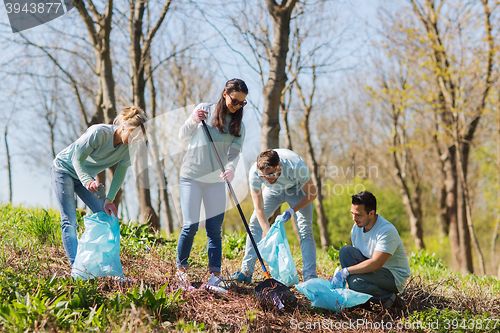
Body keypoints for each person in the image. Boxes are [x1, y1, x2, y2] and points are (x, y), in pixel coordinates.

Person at [51, 106, 148, 266]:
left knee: (104, 216)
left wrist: (109, 200)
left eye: (139, 137)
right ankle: (77, 268)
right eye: (134, 135)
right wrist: (87, 181)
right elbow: (77, 158)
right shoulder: (99, 133)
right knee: (70, 220)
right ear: (123, 125)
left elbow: (120, 173)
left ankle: (99, 264)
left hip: (85, 177)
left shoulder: (131, 147)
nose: (135, 140)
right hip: (64, 169)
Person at [176, 78, 248, 284]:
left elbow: (235, 153)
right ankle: (181, 269)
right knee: (190, 225)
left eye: (242, 103)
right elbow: (182, 135)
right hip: (191, 176)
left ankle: (214, 275)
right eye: (235, 101)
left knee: (214, 229)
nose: (237, 106)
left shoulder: (238, 126)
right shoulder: (203, 111)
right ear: (225, 94)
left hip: (216, 180)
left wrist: (231, 169)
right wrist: (192, 120)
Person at [232, 149, 319, 283]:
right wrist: (267, 231)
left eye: (271, 174)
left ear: (279, 167)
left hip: (297, 189)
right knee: (255, 222)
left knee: (305, 229)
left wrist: (292, 210)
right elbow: (259, 207)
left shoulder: (296, 166)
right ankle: (246, 271)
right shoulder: (255, 173)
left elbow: (312, 194)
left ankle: (310, 278)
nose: (268, 179)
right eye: (264, 176)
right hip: (273, 191)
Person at [330, 191, 411, 309]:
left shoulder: (386, 230)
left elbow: (376, 263)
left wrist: (346, 271)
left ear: (371, 213)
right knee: (345, 251)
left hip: (392, 276)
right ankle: (362, 302)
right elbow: (356, 259)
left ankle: (391, 300)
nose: (354, 218)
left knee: (355, 280)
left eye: (358, 215)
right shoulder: (356, 228)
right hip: (373, 270)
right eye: (352, 213)